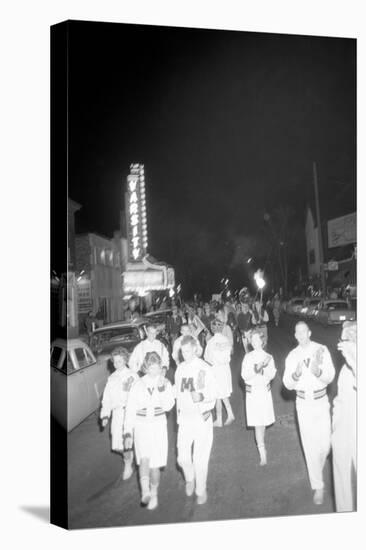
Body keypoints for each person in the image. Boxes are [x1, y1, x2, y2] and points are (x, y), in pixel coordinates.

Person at [283, 321, 335, 505]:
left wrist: (318, 371)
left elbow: (330, 376)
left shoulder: (321, 349)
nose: (300, 335)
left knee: (326, 445)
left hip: (321, 402)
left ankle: (316, 469)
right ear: (295, 335)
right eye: (297, 332)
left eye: (303, 331)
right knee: (310, 445)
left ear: (309, 332)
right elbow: (287, 384)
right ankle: (318, 486)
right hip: (303, 403)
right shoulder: (292, 356)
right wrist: (296, 375)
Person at [124, 352, 175, 510]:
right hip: (141, 424)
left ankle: (154, 494)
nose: (154, 371)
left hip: (158, 425)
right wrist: (128, 432)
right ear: (146, 368)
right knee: (144, 459)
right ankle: (145, 492)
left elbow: (168, 406)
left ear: (161, 367)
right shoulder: (138, 384)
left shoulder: (165, 383)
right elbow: (130, 410)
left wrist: (162, 389)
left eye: (157, 368)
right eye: (151, 368)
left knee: (155, 466)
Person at [175, 335, 218, 505]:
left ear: (194, 349)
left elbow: (215, 392)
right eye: (182, 351)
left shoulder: (204, 368)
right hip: (184, 419)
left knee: (200, 458)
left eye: (187, 351)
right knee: (182, 458)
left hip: (201, 418)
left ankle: (201, 489)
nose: (184, 354)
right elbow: (177, 393)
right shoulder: (180, 369)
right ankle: (189, 478)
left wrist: (202, 396)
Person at [100, 346, 139, 480]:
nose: (116, 364)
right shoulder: (112, 378)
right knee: (117, 446)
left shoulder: (132, 376)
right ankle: (129, 455)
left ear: (125, 360)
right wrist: (105, 415)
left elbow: (140, 396)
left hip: (129, 412)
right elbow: (107, 399)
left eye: (119, 361)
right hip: (116, 414)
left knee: (127, 441)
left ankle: (128, 464)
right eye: (115, 362)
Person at [332, 321, 357, 512]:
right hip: (342, 427)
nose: (342, 344)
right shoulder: (344, 369)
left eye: (347, 338)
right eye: (343, 339)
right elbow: (339, 399)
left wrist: (355, 361)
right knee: (340, 475)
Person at [241, 330, 276, 465]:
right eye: (253, 340)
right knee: (257, 424)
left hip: (264, 393)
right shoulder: (248, 357)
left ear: (262, 341)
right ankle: (262, 454)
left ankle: (262, 447)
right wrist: (259, 367)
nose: (255, 342)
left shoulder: (269, 356)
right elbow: (245, 376)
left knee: (263, 423)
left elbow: (271, 375)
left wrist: (264, 368)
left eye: (257, 340)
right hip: (253, 394)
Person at [204, 319, 235, 427]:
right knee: (221, 394)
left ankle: (222, 418)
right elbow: (229, 353)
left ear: (212, 329)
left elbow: (207, 358)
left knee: (218, 394)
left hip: (216, 370)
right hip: (225, 369)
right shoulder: (226, 340)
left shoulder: (211, 342)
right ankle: (222, 418)